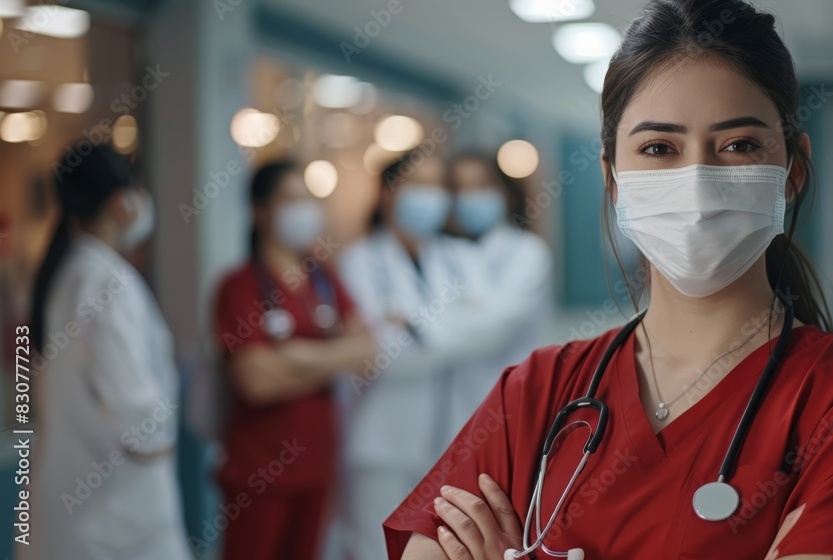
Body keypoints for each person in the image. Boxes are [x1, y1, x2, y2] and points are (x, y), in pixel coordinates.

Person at [385, 1, 833, 559]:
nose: (697, 180)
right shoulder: (536, 392)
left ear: (793, 168)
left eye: (739, 145)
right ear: (613, 178)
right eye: (658, 148)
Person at [335, 151, 531, 560]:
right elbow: (381, 357)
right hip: (380, 440)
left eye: (437, 186)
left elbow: (494, 328)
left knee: (444, 550)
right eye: (418, 184)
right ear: (389, 193)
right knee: (374, 550)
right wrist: (455, 324)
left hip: (451, 434)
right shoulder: (359, 261)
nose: (432, 196)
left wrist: (413, 326)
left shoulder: (461, 257)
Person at [24, 145, 191, 559]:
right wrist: (160, 441)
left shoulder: (75, 271)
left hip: (86, 507)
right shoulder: (104, 281)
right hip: (116, 516)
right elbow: (136, 410)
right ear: (122, 202)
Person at [213, 160, 374, 560]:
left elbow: (369, 350)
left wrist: (298, 355)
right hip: (259, 470)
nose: (305, 209)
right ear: (260, 210)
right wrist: (335, 360)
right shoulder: (240, 287)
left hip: (317, 465)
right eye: (291, 199)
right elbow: (256, 381)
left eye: (309, 199)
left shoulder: (324, 280)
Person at [444, 153, 554, 437]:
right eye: (458, 188)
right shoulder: (443, 253)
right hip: (449, 416)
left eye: (480, 185)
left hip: (513, 410)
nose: (469, 196)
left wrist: (421, 328)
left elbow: (494, 328)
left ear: (504, 192)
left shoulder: (528, 252)